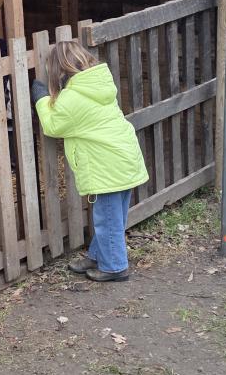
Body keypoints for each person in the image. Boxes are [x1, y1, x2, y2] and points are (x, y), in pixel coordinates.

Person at [31, 40, 148, 282]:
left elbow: (53, 125)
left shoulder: (74, 97)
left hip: (106, 167)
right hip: (123, 159)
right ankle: (98, 256)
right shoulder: (98, 83)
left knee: (107, 219)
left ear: (60, 71)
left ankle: (115, 267)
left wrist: (42, 98)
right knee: (112, 217)